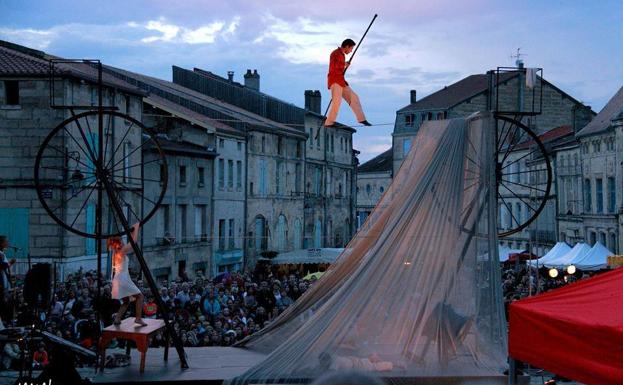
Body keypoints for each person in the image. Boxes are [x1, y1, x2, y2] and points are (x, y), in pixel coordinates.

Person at [324, 38, 371, 127]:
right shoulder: (335, 53)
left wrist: (344, 64)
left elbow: (339, 66)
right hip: (335, 80)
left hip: (341, 81)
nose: (351, 51)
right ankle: (329, 123)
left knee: (354, 97)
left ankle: (362, 119)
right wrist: (344, 64)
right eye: (351, 48)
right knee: (337, 101)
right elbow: (335, 66)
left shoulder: (341, 55)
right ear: (347, 46)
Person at [109, 223, 147, 326]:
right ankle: (138, 318)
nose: (122, 242)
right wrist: (137, 227)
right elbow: (134, 242)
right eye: (121, 240)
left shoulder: (116, 252)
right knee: (140, 297)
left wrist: (132, 232)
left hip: (117, 280)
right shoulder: (120, 251)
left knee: (126, 301)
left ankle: (117, 318)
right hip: (122, 279)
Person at [0, 236, 16, 324]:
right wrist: (11, 263)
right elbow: (3, 266)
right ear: (1, 243)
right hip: (1, 284)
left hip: (4, 282)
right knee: (4, 302)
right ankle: (4, 320)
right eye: (6, 242)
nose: (8, 243)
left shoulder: (2, 253)